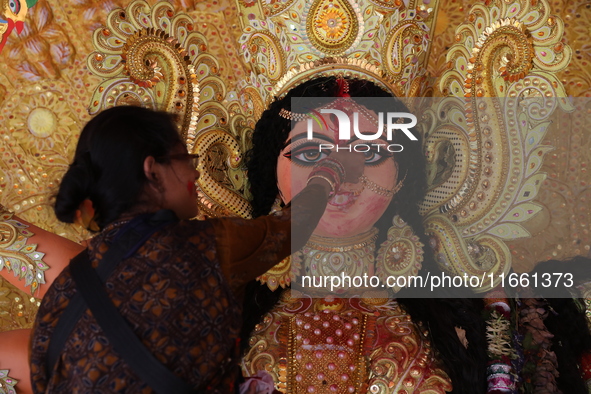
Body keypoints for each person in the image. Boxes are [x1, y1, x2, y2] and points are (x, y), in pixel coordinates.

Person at [29, 105, 363, 393]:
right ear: (153, 171)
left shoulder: (61, 293)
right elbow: (292, 225)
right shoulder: (203, 247)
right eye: (186, 158)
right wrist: (330, 171)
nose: (196, 171)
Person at [240, 76, 488, 393]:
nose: (338, 173)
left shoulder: (457, 319)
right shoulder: (230, 313)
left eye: (367, 154)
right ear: (272, 175)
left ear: (401, 175)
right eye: (311, 153)